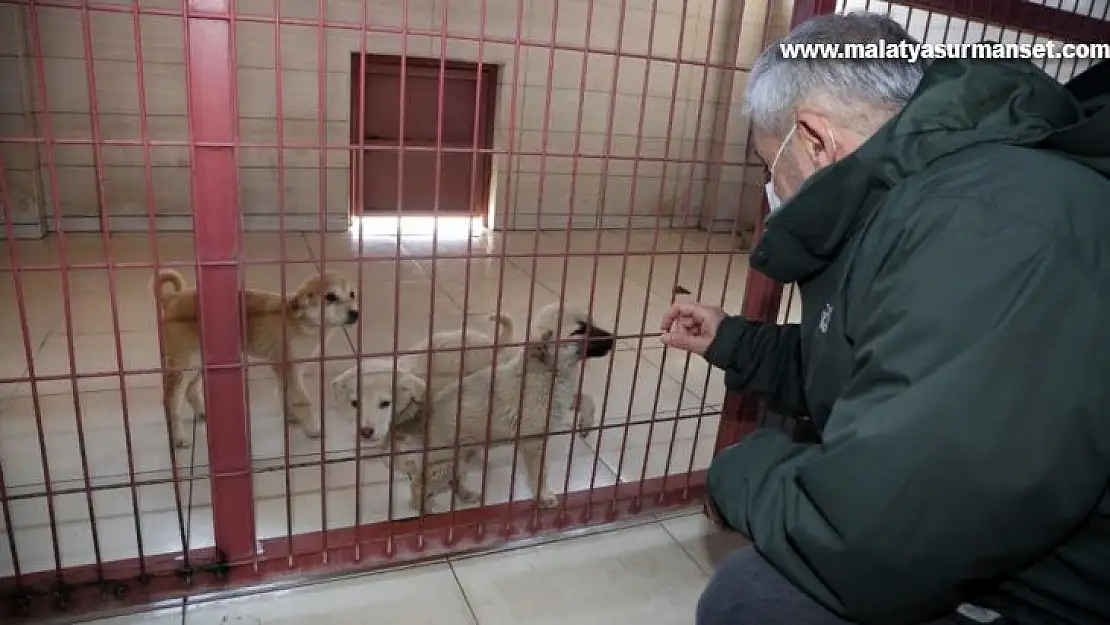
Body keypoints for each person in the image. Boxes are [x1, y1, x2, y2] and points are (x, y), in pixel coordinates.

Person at [658, 12, 1110, 625]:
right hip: (1015, 561)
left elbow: (866, 537)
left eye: (772, 165)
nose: (773, 186)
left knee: (755, 601)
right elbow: (868, 362)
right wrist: (731, 340)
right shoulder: (915, 198)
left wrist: (740, 470)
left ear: (814, 139)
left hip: (1063, 597)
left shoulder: (986, 224)